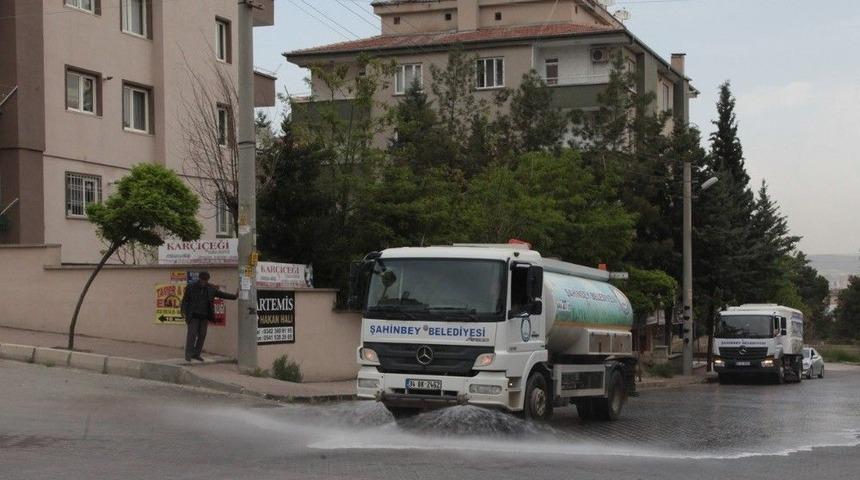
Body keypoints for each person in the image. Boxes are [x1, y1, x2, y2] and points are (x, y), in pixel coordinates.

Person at [180, 271, 237, 362]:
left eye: (205, 280)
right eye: (202, 280)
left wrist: (235, 296)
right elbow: (185, 300)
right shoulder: (191, 287)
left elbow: (222, 294)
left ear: (207, 280)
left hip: (204, 316)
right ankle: (188, 354)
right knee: (192, 335)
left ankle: (196, 354)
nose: (204, 282)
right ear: (199, 279)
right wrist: (183, 311)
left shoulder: (211, 288)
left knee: (202, 335)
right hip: (193, 316)